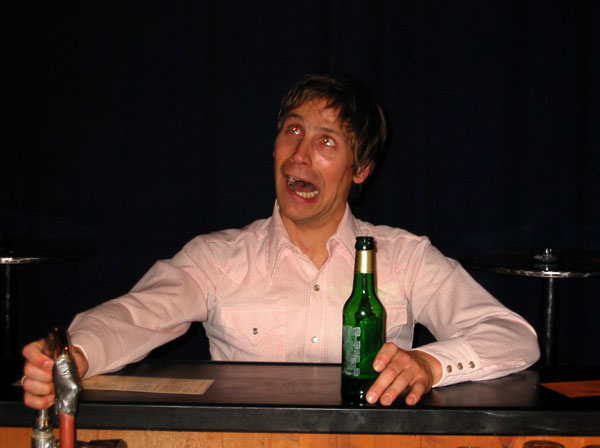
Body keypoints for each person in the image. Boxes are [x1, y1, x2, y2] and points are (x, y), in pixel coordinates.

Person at [22, 73, 540, 410]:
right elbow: (135, 315)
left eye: (326, 141)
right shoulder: (216, 257)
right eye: (293, 131)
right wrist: (71, 356)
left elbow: (512, 336)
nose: (300, 155)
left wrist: (430, 364)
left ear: (361, 169)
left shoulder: (404, 257)